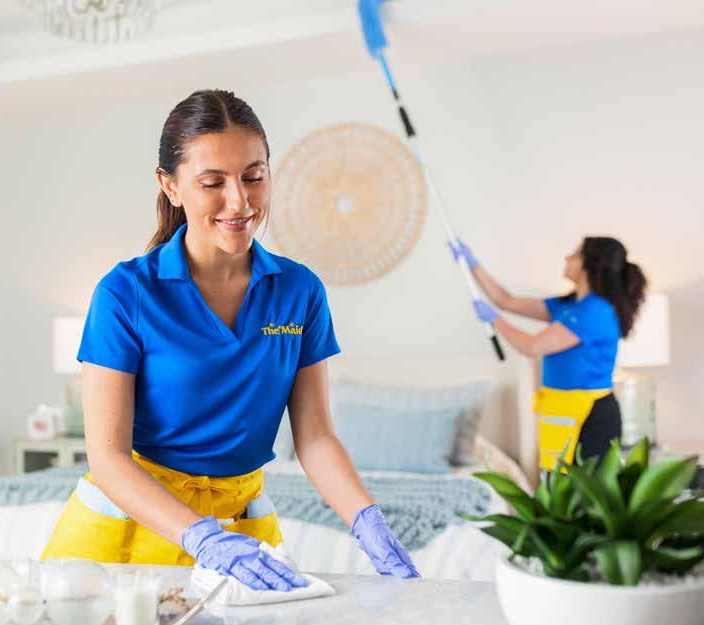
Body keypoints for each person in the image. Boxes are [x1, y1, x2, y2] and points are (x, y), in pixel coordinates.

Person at [41, 89, 419, 589]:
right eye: (212, 182)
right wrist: (201, 537)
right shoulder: (125, 293)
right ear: (171, 186)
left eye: (253, 177)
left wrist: (365, 518)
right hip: (127, 533)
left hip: (240, 529)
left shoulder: (299, 291)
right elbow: (108, 459)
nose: (239, 201)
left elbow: (314, 437)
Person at [451, 237, 646, 469]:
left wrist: (495, 320)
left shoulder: (594, 311)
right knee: (558, 481)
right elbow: (506, 301)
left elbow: (532, 347)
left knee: (584, 487)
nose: (567, 258)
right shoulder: (569, 305)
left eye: (575, 255)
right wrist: (472, 264)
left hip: (591, 416)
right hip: (563, 408)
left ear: (589, 264)